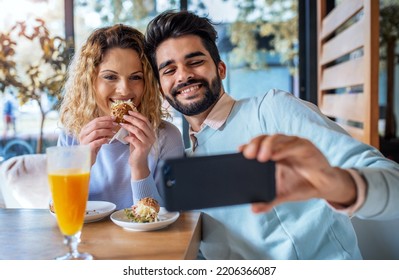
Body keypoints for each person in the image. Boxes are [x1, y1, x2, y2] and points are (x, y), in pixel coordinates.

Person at [144, 10, 399, 259]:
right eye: (169, 70)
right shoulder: (184, 163)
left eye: (195, 61)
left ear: (221, 69)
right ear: (161, 89)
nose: (184, 75)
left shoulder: (271, 110)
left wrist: (340, 185)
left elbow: (391, 180)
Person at [58, 24, 184, 210]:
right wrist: (81, 165)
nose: (124, 90)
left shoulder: (167, 136)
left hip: (148, 240)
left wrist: (139, 166)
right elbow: (63, 211)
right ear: (89, 81)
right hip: (88, 239)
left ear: (147, 82)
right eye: (110, 77)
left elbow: (169, 220)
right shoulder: (71, 134)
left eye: (135, 77)